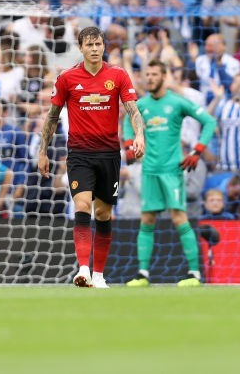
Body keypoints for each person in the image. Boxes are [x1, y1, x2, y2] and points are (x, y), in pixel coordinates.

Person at [37, 26, 145, 288]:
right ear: (81, 47)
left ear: (103, 46)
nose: (95, 49)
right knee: (83, 205)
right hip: (79, 154)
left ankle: (99, 274)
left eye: (98, 44)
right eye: (90, 45)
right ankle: (83, 269)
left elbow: (133, 110)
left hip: (109, 154)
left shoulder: (118, 75)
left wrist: (139, 135)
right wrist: (42, 151)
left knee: (104, 214)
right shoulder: (67, 78)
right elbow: (52, 117)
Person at [122, 60, 217, 288]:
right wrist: (129, 144)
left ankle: (194, 273)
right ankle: (143, 274)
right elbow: (128, 120)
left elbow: (209, 121)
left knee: (178, 218)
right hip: (149, 170)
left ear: (164, 77)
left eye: (155, 74)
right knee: (147, 219)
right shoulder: (140, 105)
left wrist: (197, 150)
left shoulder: (177, 102)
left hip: (172, 171)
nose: (150, 78)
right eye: (147, 74)